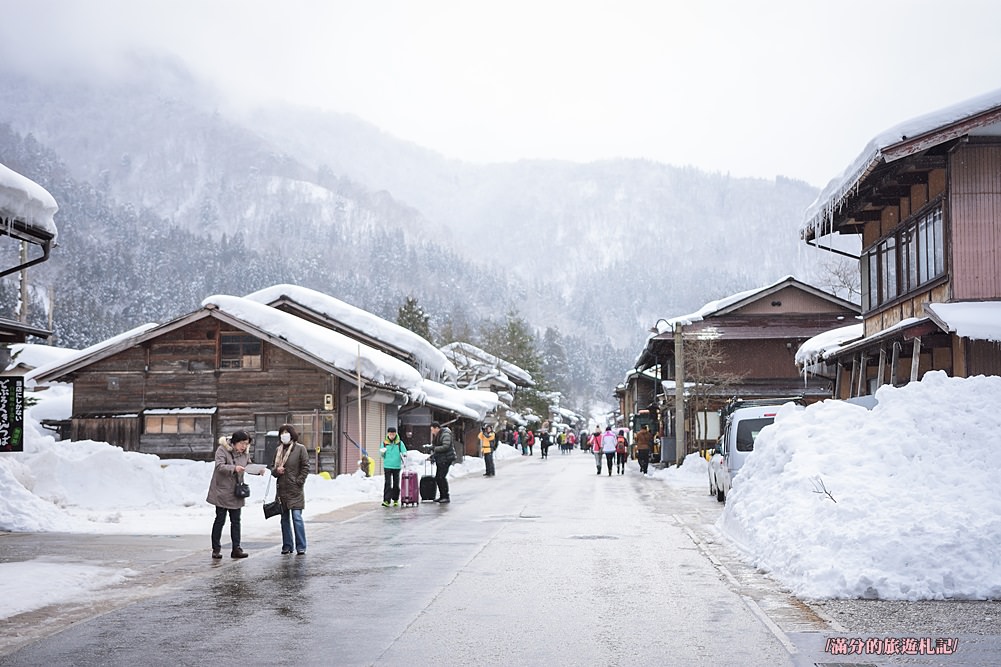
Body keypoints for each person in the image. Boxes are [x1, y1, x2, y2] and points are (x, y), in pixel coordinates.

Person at [206, 430, 265, 559]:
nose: (244, 446)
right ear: (234, 442)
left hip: (236, 492)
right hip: (221, 491)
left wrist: (257, 470)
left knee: (236, 521)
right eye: (242, 443)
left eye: (246, 444)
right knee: (220, 520)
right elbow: (219, 466)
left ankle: (236, 549)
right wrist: (234, 468)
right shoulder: (222, 450)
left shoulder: (244, 454)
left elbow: (248, 465)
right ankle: (216, 549)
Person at [273, 424, 310, 554]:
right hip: (281, 490)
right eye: (282, 433)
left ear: (292, 434)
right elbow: (273, 470)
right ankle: (287, 545)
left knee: (297, 518)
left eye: (286, 432)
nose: (284, 435)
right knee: (284, 519)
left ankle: (301, 545)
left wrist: (299, 481)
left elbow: (306, 466)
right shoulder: (278, 450)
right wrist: (277, 471)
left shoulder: (300, 449)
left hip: (295, 489)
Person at [429, 421, 456, 503]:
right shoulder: (439, 435)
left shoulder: (445, 434)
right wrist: (433, 455)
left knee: (441, 477)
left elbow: (446, 446)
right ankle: (442, 496)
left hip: (446, 459)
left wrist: (434, 448)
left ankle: (445, 496)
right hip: (441, 459)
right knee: (438, 477)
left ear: (437, 428)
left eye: (432, 430)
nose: (432, 432)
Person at [380, 426, 407, 506]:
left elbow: (404, 451)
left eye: (393, 434)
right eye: (390, 434)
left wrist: (404, 454)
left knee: (396, 483)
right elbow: (381, 455)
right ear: (388, 434)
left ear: (396, 434)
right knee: (387, 483)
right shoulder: (384, 443)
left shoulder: (399, 443)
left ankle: (395, 499)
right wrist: (382, 452)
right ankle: (386, 500)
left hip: (396, 466)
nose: (392, 435)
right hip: (387, 465)